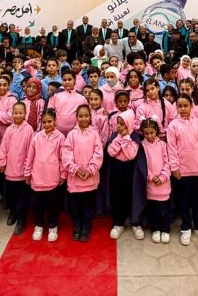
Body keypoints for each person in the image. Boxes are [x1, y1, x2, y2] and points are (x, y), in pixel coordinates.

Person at [167, 93, 198, 246]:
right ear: (176, 107)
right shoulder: (173, 126)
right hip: (182, 171)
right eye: (180, 106)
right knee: (184, 200)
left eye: (186, 106)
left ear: (191, 106)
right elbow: (171, 148)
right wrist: (175, 167)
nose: (183, 109)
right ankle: (185, 226)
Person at [62, 104, 103, 242]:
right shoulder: (71, 134)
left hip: (90, 178)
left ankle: (86, 226)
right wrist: (74, 169)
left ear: (90, 117)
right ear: (76, 117)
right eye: (80, 116)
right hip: (75, 178)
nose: (83, 118)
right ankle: (76, 225)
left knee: (88, 204)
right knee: (75, 205)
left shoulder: (94, 134)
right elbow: (66, 153)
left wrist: (90, 170)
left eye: (86, 116)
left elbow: (98, 153)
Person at [25, 108, 66, 242]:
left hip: (52, 177)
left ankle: (53, 226)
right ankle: (39, 225)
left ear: (55, 121)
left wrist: (63, 174)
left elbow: (63, 157)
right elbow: (30, 156)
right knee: (37, 204)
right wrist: (27, 172)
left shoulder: (60, 137)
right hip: (37, 177)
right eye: (44, 122)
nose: (47, 124)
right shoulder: (37, 137)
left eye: (50, 121)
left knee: (53, 205)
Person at [0, 102, 34, 235]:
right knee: (11, 195)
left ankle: (21, 218)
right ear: (12, 114)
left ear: (25, 114)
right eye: (15, 113)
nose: (18, 115)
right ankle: (12, 212)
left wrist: (27, 168)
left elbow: (31, 150)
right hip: (10, 170)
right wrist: (2, 162)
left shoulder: (29, 130)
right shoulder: (9, 130)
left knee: (22, 196)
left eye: (20, 113)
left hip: (22, 171)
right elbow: (3, 148)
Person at [107, 109, 144, 240]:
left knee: (133, 195)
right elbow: (111, 152)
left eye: (122, 124)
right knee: (117, 195)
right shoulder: (115, 136)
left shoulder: (134, 138)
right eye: (118, 123)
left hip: (131, 171)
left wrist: (126, 139)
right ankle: (118, 222)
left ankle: (135, 222)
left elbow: (130, 155)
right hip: (117, 170)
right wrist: (120, 140)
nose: (119, 127)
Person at [140, 118, 171, 244]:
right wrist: (151, 177)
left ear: (156, 131)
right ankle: (155, 229)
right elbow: (142, 165)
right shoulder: (142, 146)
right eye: (146, 133)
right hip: (150, 184)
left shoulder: (163, 145)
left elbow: (168, 162)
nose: (149, 136)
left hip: (163, 184)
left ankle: (165, 229)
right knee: (152, 209)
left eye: (152, 133)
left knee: (163, 210)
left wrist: (162, 177)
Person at [47, 70, 88, 136]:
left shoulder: (82, 98)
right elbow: (49, 113)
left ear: (74, 80)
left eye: (69, 79)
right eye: (64, 80)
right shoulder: (55, 95)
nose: (67, 82)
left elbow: (85, 115)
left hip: (76, 132)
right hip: (56, 131)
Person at [0, 76, 18, 140]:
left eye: (4, 85)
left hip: (8, 131)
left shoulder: (13, 99)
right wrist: (3, 116)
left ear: (9, 86)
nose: (2, 87)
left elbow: (11, 117)